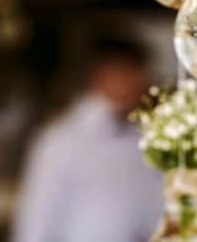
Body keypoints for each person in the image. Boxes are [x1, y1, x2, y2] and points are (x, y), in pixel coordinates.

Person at [11, 38, 164, 242]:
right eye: (133, 74)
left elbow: (149, 211)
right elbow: (35, 221)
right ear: (103, 74)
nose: (142, 84)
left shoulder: (139, 135)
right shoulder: (60, 139)